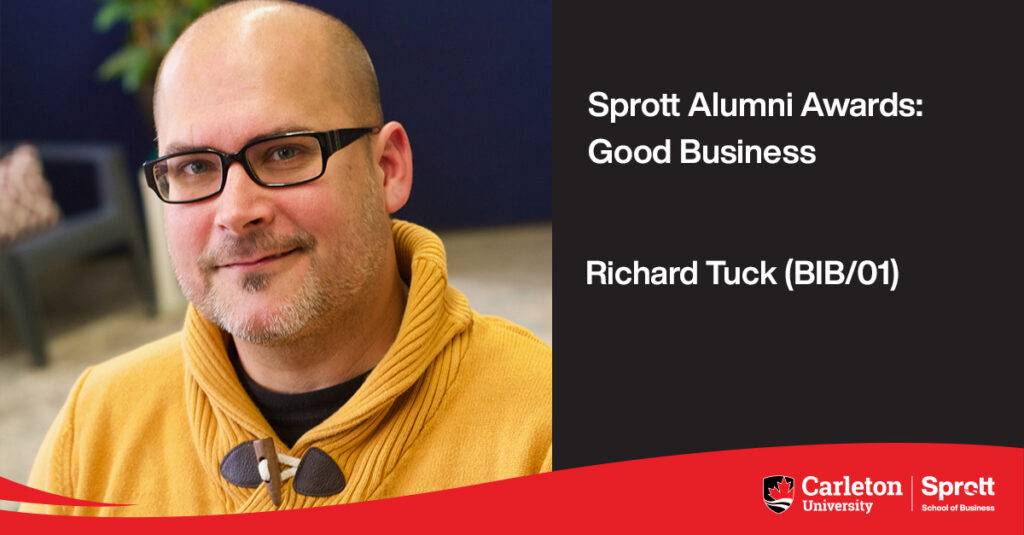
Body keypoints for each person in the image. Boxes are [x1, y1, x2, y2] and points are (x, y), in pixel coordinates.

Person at [22, 0, 550, 516]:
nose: (236, 212)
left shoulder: (544, 431)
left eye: (284, 153)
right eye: (194, 167)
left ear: (387, 169)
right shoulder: (92, 430)